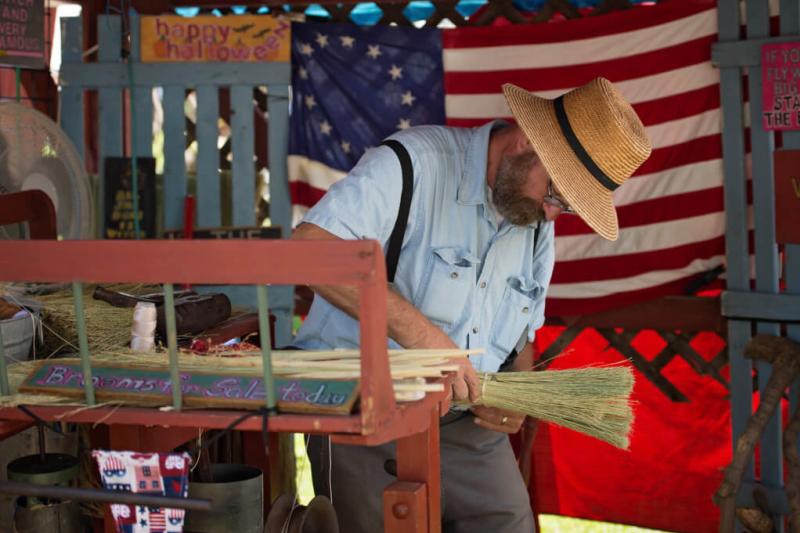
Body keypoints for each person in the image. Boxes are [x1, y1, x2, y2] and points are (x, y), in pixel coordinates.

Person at [290, 77, 652, 532]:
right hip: (365, 411)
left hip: (467, 423)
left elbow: (522, 328)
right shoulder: (414, 164)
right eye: (557, 194)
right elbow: (311, 249)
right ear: (525, 141)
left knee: (510, 523)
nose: (553, 213)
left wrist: (519, 393)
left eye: (569, 207)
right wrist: (424, 339)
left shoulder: (535, 217)